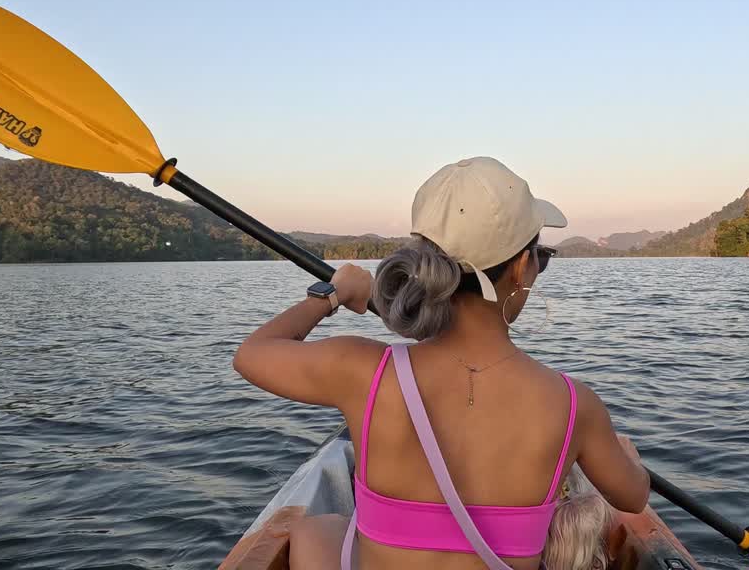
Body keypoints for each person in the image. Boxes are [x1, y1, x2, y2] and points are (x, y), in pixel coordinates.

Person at [233, 157, 649, 570]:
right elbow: (633, 497)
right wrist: (625, 457)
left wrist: (331, 294)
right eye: (541, 255)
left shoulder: (360, 370)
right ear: (522, 268)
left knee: (315, 530)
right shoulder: (575, 406)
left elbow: (251, 354)